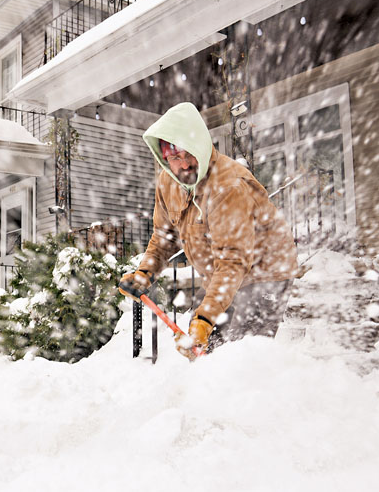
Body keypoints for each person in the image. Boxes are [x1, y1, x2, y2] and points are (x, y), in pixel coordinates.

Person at [119, 102, 298, 360]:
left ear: (201, 146)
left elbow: (234, 259)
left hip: (264, 271)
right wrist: (144, 274)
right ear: (165, 158)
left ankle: (255, 394)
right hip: (220, 271)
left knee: (242, 354)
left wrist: (206, 318)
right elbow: (163, 236)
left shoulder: (228, 186)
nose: (184, 165)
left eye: (188, 154)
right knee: (202, 349)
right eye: (175, 158)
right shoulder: (169, 182)